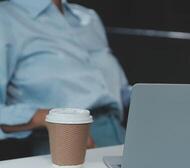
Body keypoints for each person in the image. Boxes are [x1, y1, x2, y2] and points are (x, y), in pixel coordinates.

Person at [0, 0, 131, 159]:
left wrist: (152, 98)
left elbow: (117, 91)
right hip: (63, 143)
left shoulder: (88, 18)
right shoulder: (6, 18)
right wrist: (47, 116)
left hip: (122, 137)